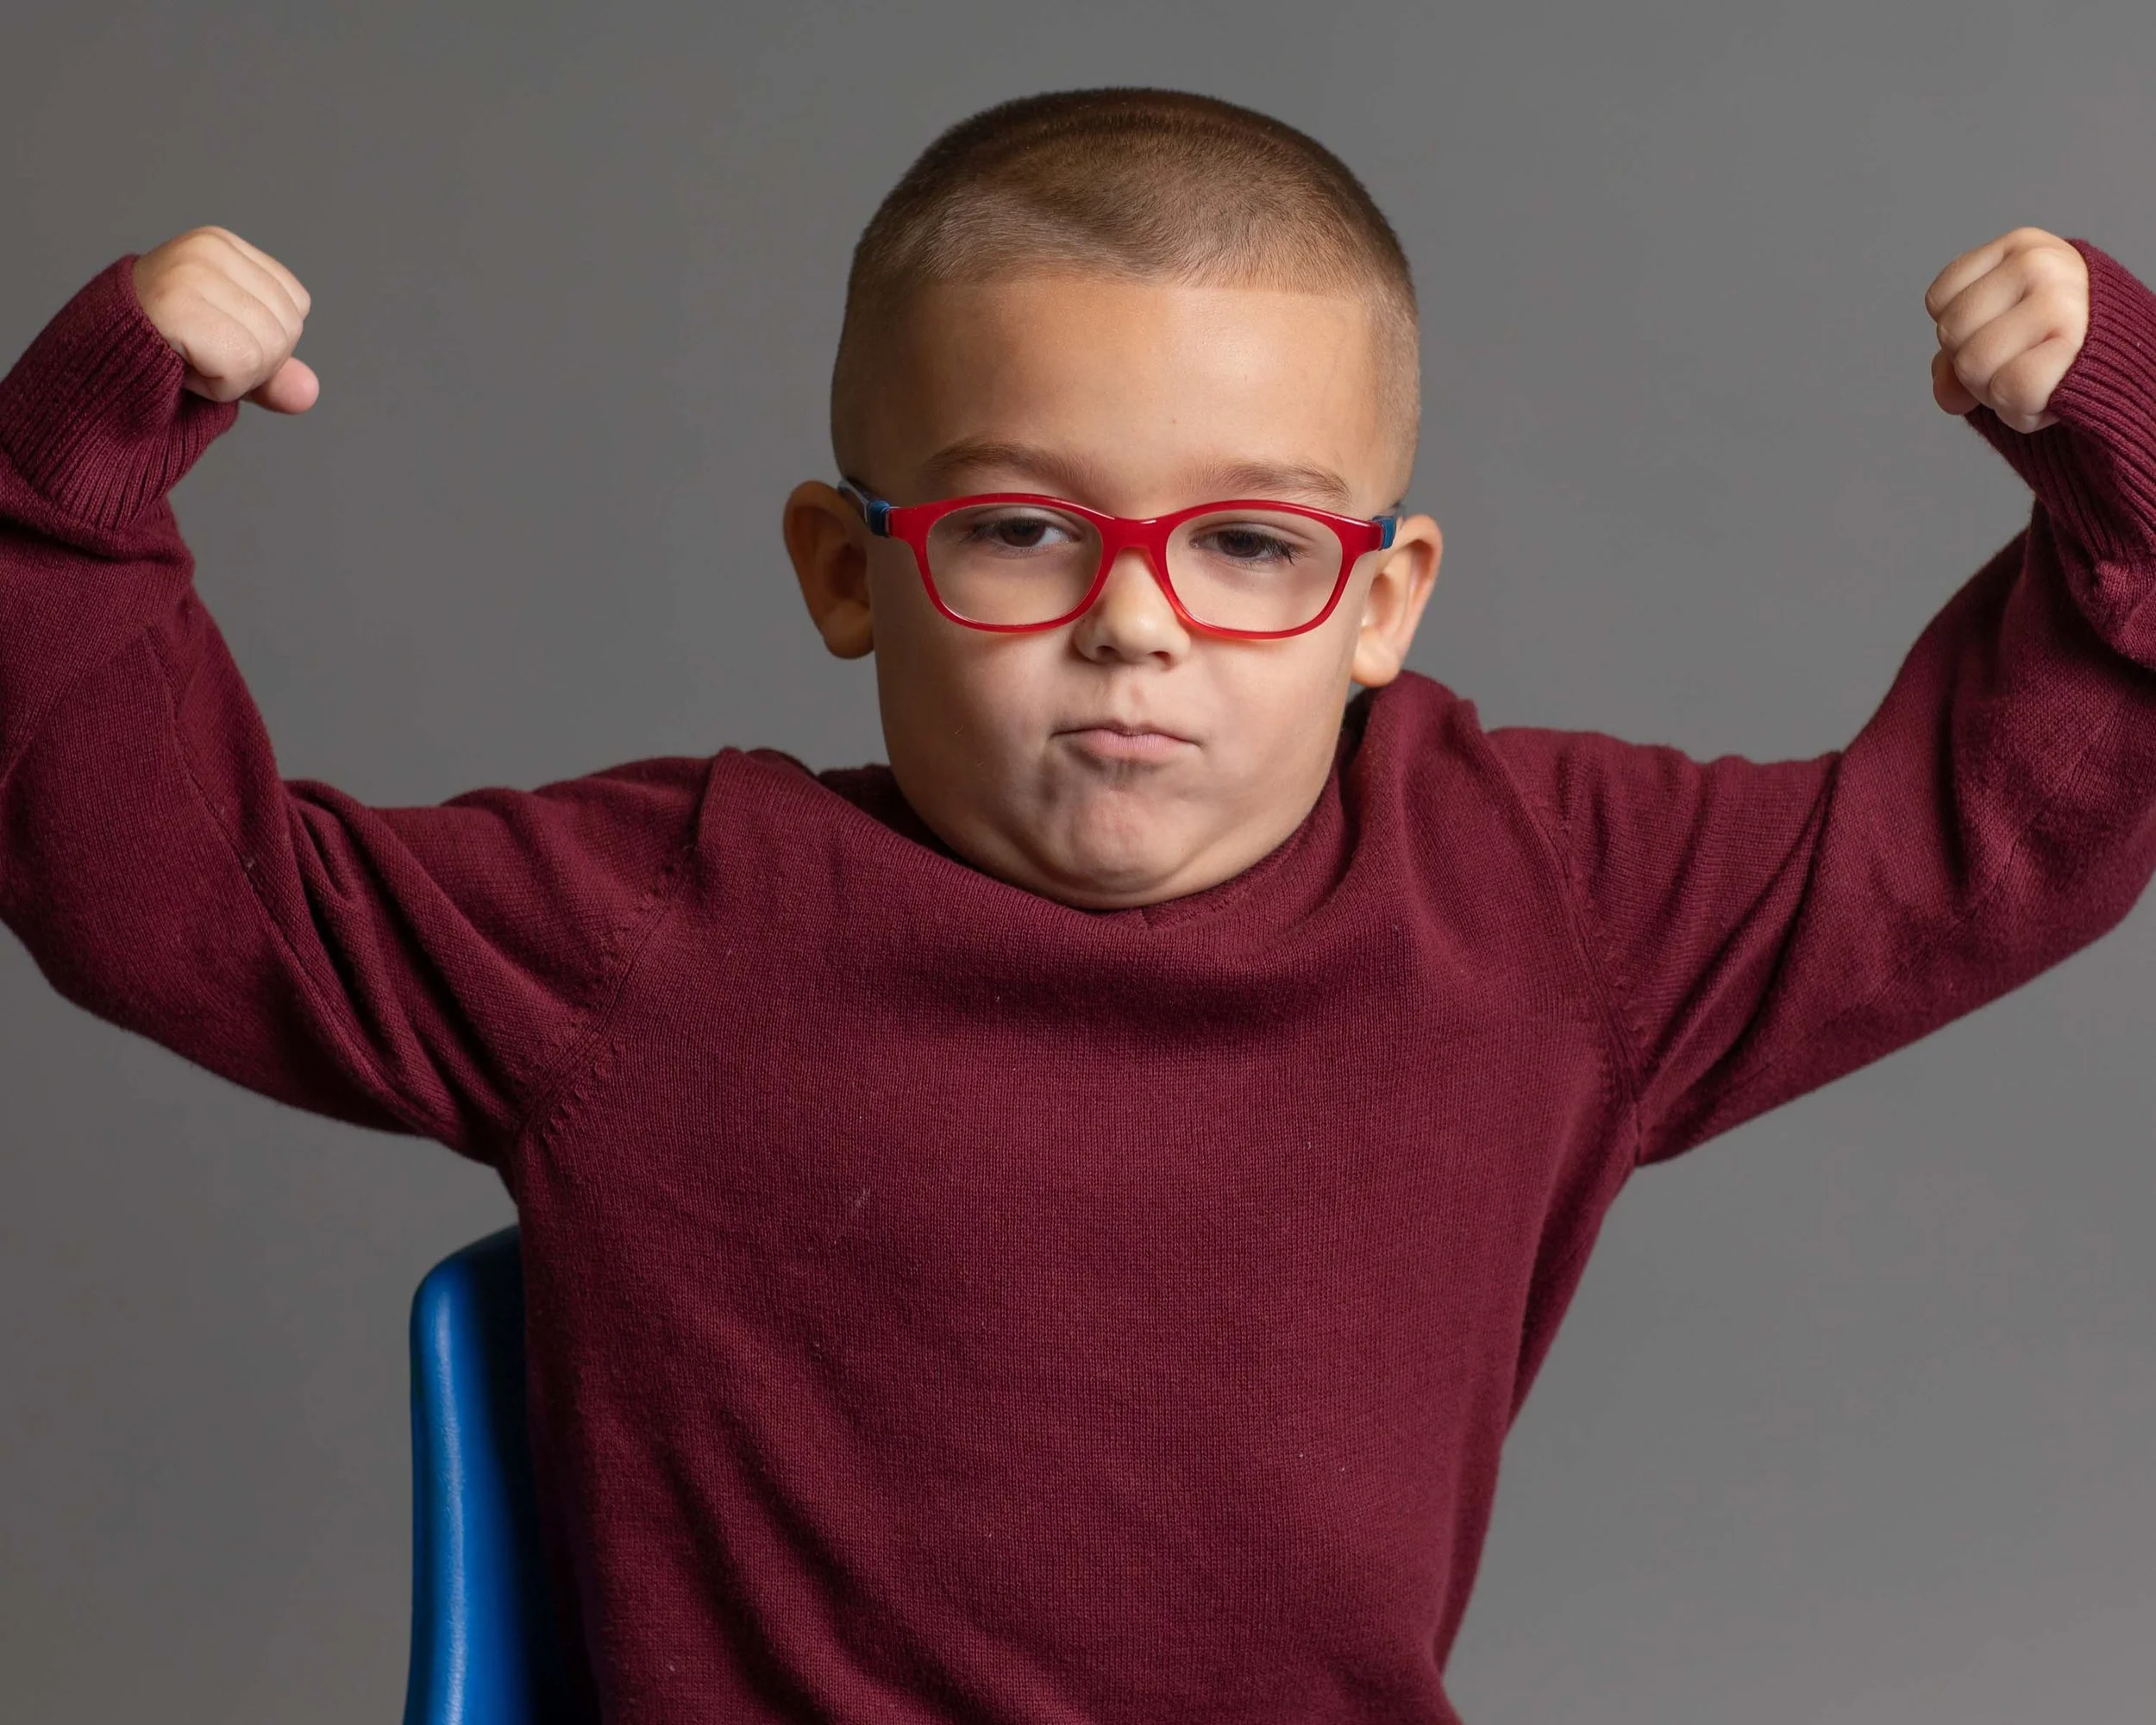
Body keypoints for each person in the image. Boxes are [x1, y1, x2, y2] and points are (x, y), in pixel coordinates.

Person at [3, 85, 2152, 1724]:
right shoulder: (661, 924)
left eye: (1250, 545)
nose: (1138, 625)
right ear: (847, 572)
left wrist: (2116, 447)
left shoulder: (1530, 899)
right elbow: (160, 887)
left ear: (1379, 599)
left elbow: (1987, 837)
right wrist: (68, 492)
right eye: (1023, 530)